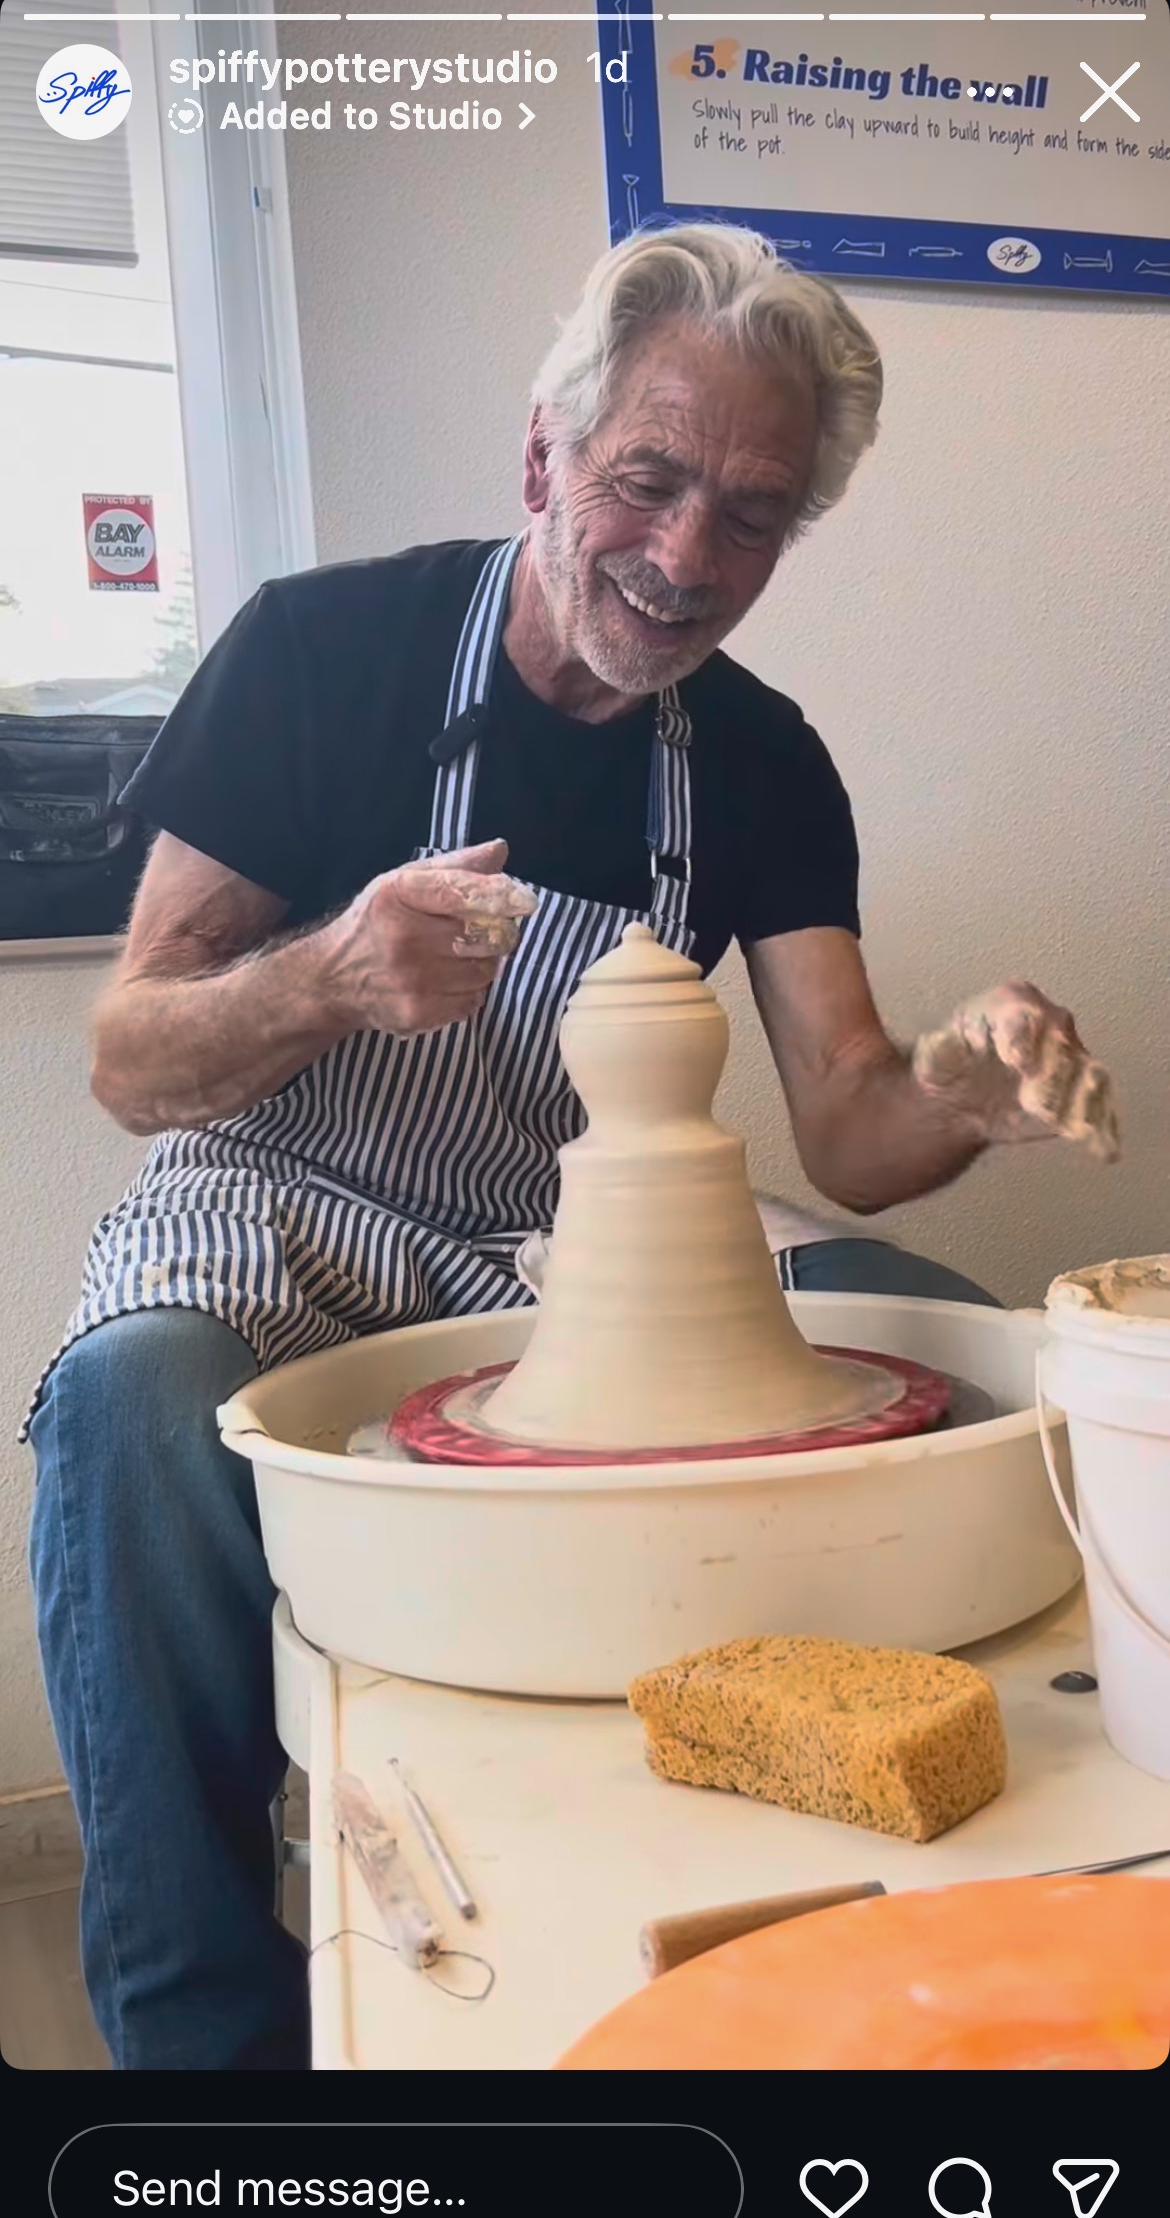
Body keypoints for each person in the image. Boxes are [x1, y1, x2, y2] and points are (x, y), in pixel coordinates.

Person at [24, 223, 1117, 2071]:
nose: (686, 559)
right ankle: (203, 2051)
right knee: (128, 1410)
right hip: (270, 1201)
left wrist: (964, 1087)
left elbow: (846, 1120)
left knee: (931, 1322)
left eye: (752, 516)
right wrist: (327, 978)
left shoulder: (759, 761)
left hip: (554, 1240)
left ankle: (850, 1860)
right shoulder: (322, 651)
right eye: (646, 481)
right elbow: (131, 1053)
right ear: (545, 459)